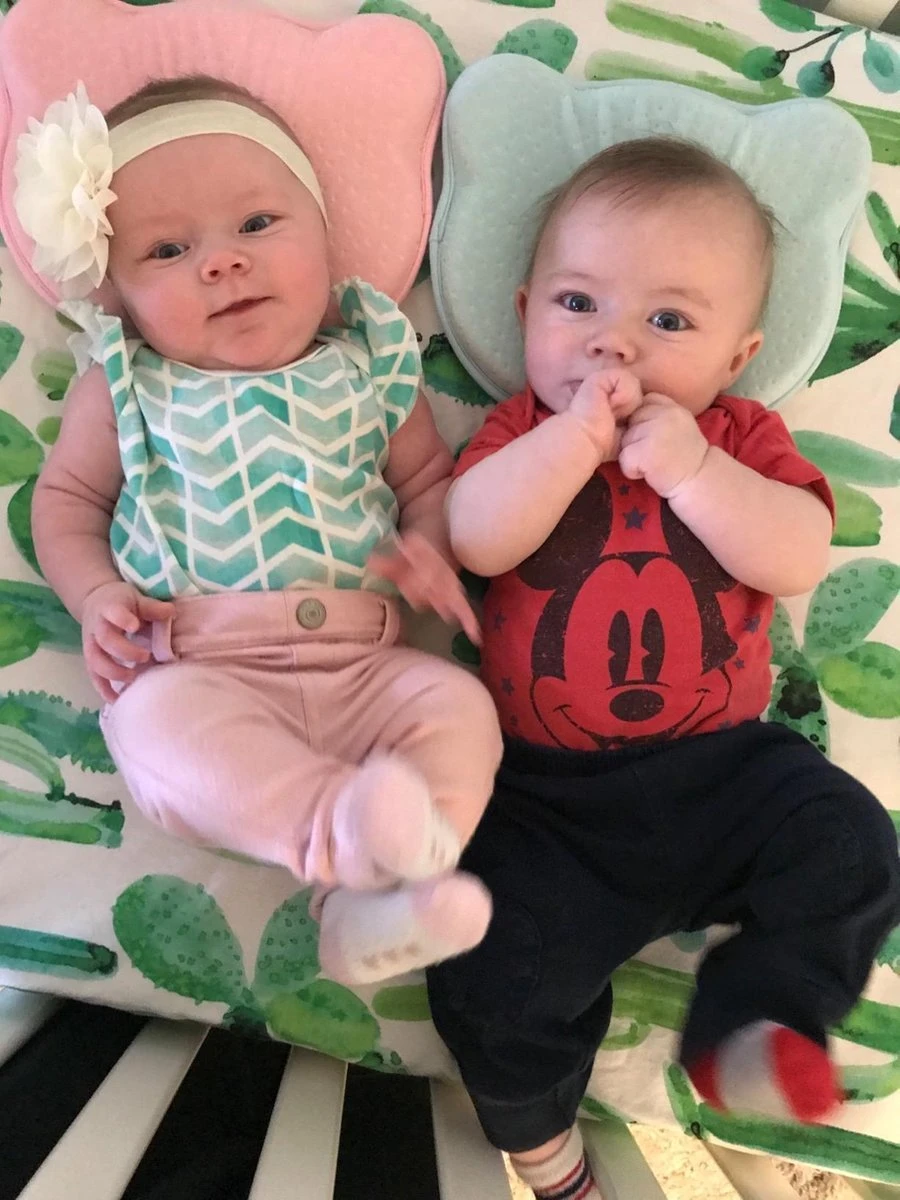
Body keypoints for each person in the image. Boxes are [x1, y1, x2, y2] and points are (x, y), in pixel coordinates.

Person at [426, 137, 900, 1200]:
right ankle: (539, 1135)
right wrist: (566, 447)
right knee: (491, 957)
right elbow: (475, 539)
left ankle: (757, 1018)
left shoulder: (742, 435)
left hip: (728, 774)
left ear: (738, 357)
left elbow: (798, 554)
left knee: (853, 846)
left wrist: (696, 472)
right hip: (546, 804)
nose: (615, 347)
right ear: (525, 312)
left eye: (670, 322)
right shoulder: (518, 429)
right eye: (578, 304)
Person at [23, 76, 503, 987]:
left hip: (366, 669)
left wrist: (429, 549)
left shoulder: (369, 362)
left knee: (460, 710)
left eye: (256, 224)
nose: (223, 263)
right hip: (198, 669)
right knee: (157, 728)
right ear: (121, 295)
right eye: (169, 249)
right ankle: (341, 842)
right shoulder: (127, 383)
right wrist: (96, 595)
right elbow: (68, 501)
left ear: (325, 237)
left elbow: (428, 483)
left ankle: (377, 899)